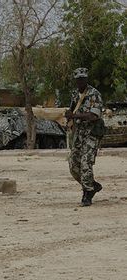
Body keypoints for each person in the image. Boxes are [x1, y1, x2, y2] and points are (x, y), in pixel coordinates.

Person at [65, 67, 104, 207]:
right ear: (76, 81)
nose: (81, 81)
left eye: (83, 79)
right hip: (79, 133)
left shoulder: (94, 94)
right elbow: (72, 109)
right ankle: (92, 185)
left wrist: (74, 116)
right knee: (73, 164)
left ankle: (87, 193)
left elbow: (93, 116)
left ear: (87, 79)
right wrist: (68, 115)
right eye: (79, 79)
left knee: (86, 162)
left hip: (92, 133)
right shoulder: (75, 94)